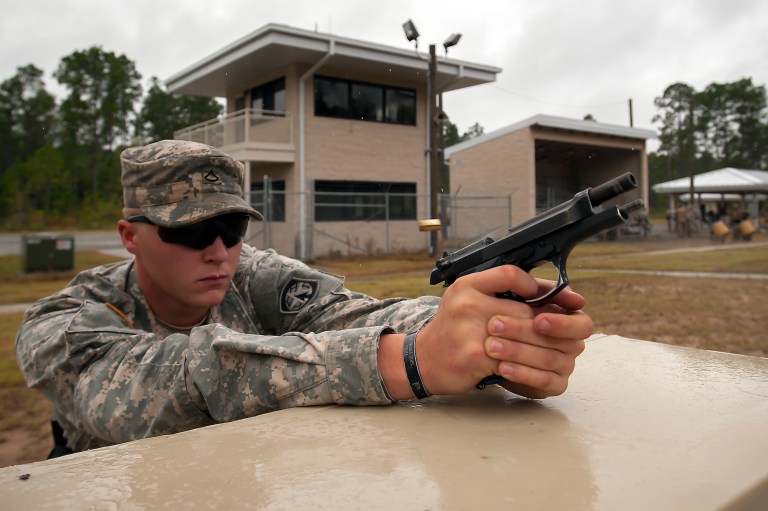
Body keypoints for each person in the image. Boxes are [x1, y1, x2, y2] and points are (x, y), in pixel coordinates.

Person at [16, 140, 593, 455]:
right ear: (129, 236)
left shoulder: (253, 274)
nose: (218, 251)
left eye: (233, 230)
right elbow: (169, 383)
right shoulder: (65, 322)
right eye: (189, 232)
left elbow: (355, 313)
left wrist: (490, 336)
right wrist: (410, 361)